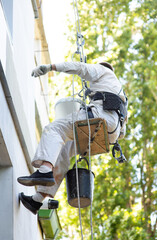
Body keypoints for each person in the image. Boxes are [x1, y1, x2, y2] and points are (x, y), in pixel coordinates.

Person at [17, 61, 128, 214]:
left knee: (54, 129)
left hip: (98, 118)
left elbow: (80, 68)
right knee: (62, 149)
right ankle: (36, 200)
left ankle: (44, 170)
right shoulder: (120, 94)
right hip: (109, 134)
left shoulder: (103, 70)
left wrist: (50, 67)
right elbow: (122, 134)